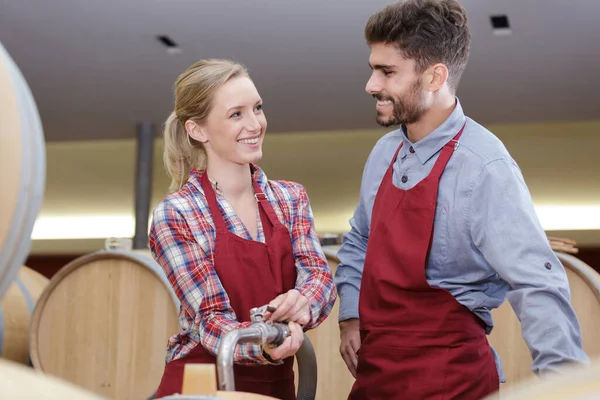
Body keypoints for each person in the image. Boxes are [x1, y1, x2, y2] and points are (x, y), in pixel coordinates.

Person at [334, 0, 589, 399]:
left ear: (435, 76)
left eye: (387, 72)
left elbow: (536, 282)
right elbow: (359, 240)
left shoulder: (485, 166)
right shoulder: (384, 153)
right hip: (377, 374)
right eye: (372, 69)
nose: (371, 85)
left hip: (451, 378)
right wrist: (349, 315)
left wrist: (566, 386)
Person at [149, 59, 337, 399]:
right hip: (203, 385)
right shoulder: (177, 215)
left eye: (258, 108)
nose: (255, 124)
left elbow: (320, 277)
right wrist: (267, 341)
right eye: (236, 114)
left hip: (277, 386)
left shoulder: (290, 199)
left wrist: (303, 303)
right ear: (198, 130)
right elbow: (211, 320)